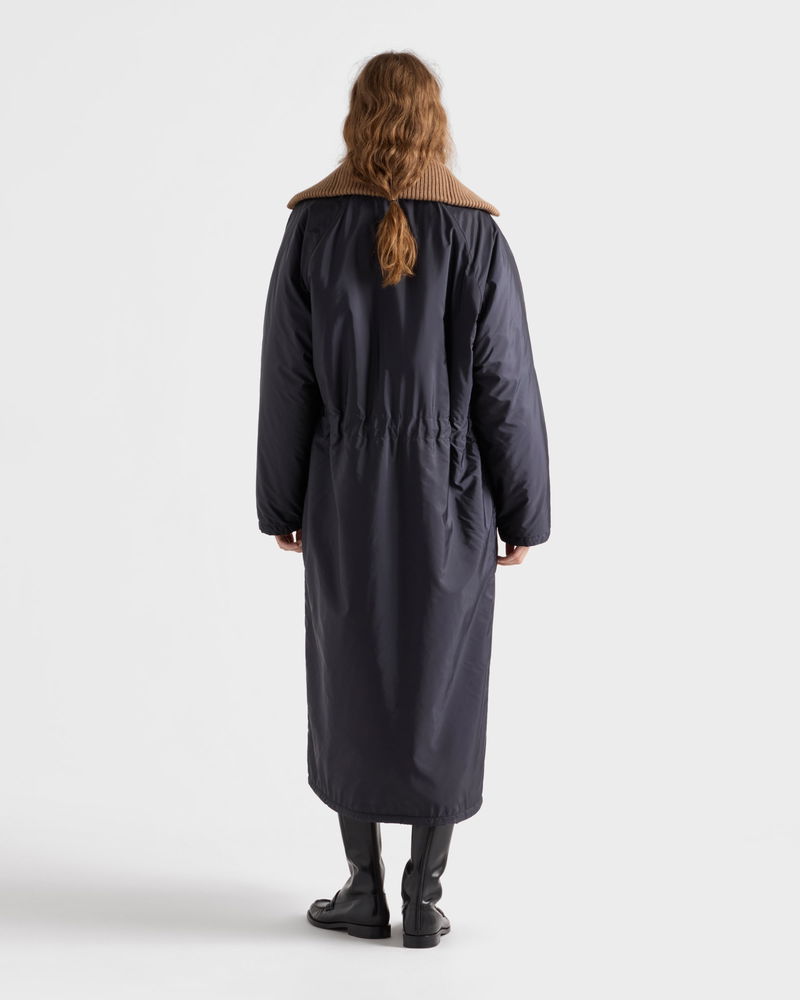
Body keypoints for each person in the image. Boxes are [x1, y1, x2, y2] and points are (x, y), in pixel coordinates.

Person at [256, 51, 551, 948]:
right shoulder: (475, 235)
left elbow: (287, 378)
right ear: (434, 120)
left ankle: (363, 888)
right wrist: (525, 511)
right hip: (451, 492)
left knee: (350, 675)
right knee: (440, 682)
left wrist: (282, 501)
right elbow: (505, 384)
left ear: (358, 117)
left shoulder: (313, 226)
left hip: (343, 488)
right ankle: (423, 897)